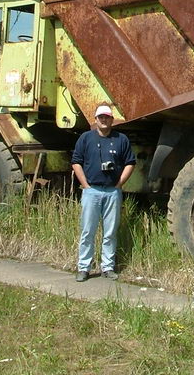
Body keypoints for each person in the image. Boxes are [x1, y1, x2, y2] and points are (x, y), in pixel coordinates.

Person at [72, 103, 136, 281]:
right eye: (101, 117)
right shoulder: (86, 138)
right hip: (92, 191)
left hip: (112, 193)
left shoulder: (121, 139)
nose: (104, 120)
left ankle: (107, 267)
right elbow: (76, 161)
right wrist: (85, 185)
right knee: (87, 231)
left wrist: (119, 184)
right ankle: (84, 267)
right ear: (95, 119)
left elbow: (130, 162)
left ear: (112, 119)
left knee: (110, 232)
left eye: (107, 117)